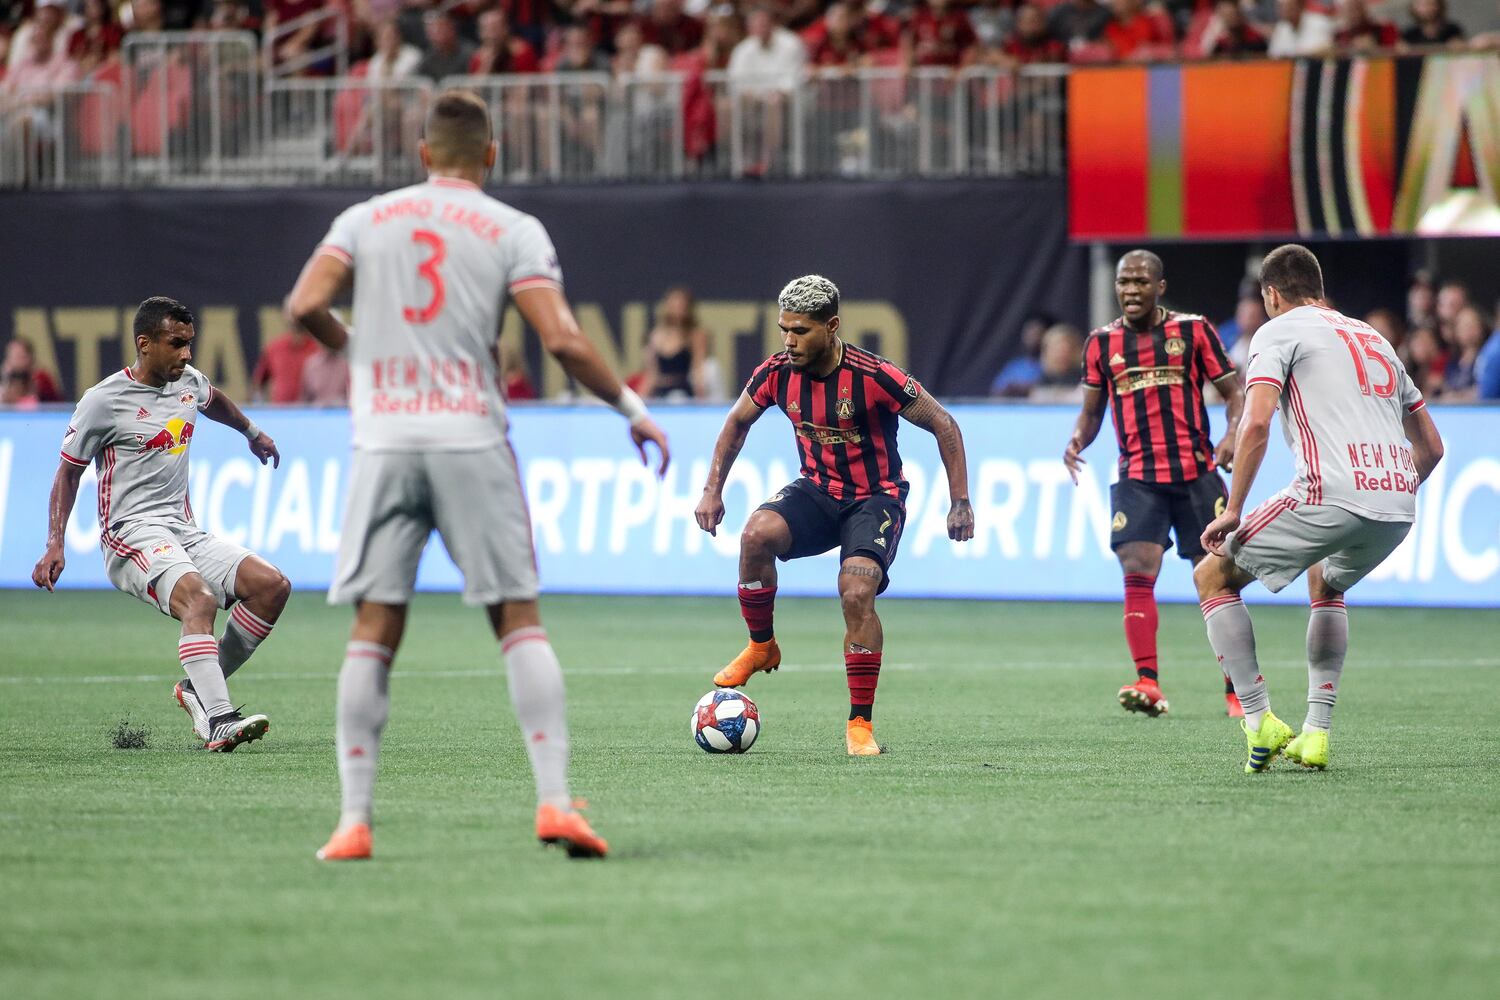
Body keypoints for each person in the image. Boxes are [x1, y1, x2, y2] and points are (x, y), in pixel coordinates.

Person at [287, 89, 670, 862]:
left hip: (384, 442)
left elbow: (303, 305)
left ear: (423, 154)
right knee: (517, 618)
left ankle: (353, 822)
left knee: (374, 629)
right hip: (470, 437)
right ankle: (556, 804)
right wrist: (631, 406)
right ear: (491, 155)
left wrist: (357, 345)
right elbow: (560, 339)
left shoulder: (364, 220)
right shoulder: (511, 228)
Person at [694, 275, 974, 756]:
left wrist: (960, 501)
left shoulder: (875, 375)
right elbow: (736, 422)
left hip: (875, 498)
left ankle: (859, 726)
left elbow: (943, 423)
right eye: (784, 329)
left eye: (800, 331)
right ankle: (762, 646)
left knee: (856, 590)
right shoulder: (776, 372)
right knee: (755, 536)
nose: (788, 341)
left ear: (833, 326)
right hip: (818, 492)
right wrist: (711, 491)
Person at [1195, 244, 1444, 772]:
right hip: (1398, 500)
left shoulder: (1277, 331)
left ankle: (1259, 721)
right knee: (1326, 583)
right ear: (1320, 287)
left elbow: (1256, 423)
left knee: (1211, 578)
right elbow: (1433, 449)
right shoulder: (1375, 337)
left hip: (1329, 491)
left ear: (1271, 294)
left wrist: (1234, 508)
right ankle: (1316, 733)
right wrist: (1387, 489)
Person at [31, 297, 289, 752]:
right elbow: (68, 472)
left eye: (190, 344)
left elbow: (214, 401)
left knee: (271, 586)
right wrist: (56, 543)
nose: (187, 354)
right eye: (177, 344)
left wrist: (252, 433)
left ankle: (196, 690)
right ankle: (218, 718)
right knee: (200, 600)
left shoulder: (188, 383)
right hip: (129, 533)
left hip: (181, 529)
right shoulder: (103, 401)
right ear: (144, 344)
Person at [1064, 250, 1246, 718]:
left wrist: (1231, 434)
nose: (1130, 290)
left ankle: (1235, 690)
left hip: (1196, 472)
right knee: (1136, 566)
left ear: (1159, 287)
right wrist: (1077, 441)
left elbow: (1235, 394)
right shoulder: (1101, 344)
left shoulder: (1192, 330)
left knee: (1217, 577)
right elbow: (1091, 413)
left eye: (1141, 282)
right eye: (1124, 282)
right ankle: (1148, 682)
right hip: (1138, 476)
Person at [639, 286, 709, 399]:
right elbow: (651, 375)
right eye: (674, 305)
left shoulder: (695, 335)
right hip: (659, 394)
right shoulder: (656, 335)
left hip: (682, 393)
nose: (677, 309)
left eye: (681, 305)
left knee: (676, 397)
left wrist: (701, 399)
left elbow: (698, 370)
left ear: (688, 308)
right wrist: (639, 401)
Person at [252, 324, 321, 403]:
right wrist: (260, 405)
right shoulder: (275, 348)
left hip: (309, 411)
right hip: (281, 410)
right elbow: (259, 381)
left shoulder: (317, 349)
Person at [3, 336, 63, 402]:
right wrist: (6, 379)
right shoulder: (6, 377)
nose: (14, 361)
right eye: (11, 356)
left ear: (29, 358)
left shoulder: (41, 377)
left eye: (18, 356)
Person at [1267, 0, 1336, 56]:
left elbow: (1327, 49)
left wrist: (1298, 55)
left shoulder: (1320, 22)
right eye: (1281, 7)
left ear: (1300, 6)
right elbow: (1273, 55)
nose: (1285, 10)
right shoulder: (1281, 28)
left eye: (1289, 7)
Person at [1399, 0, 1466, 47]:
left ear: (1439, 5)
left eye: (1430, 4)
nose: (1426, 9)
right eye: (1421, 5)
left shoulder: (1452, 30)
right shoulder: (1409, 34)